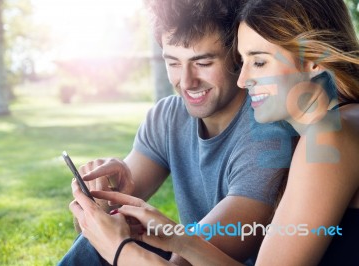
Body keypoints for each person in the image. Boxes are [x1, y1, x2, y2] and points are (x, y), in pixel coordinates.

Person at [67, 0, 359, 265]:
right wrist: (175, 237)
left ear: (313, 60)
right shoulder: (339, 124)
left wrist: (119, 249)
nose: (244, 80)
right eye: (244, 61)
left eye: (258, 62)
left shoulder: (330, 134)